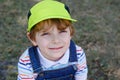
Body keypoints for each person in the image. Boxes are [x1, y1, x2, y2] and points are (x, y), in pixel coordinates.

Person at [17, 0, 88, 80]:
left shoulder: (78, 54)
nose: (56, 40)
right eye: (46, 34)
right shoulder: (27, 62)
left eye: (62, 31)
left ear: (70, 33)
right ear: (33, 38)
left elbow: (81, 75)